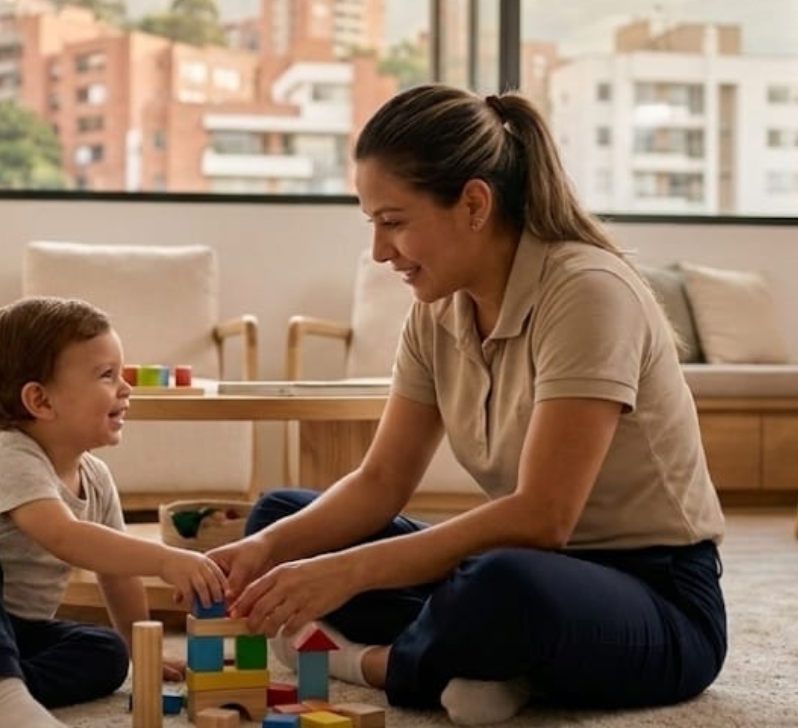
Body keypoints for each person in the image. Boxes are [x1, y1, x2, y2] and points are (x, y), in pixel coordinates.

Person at [209, 84, 727, 725]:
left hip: (657, 596)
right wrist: (267, 550)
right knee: (282, 517)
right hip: (526, 568)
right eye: (373, 224)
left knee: (500, 586)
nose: (380, 252)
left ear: (474, 204)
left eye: (394, 222)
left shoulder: (587, 291)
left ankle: (376, 663)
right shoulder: (437, 310)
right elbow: (381, 481)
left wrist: (347, 574)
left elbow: (543, 517)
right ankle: (486, 664)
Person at [0, 296, 228, 728]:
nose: (125, 388)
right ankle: (2, 695)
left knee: (108, 653)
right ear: (40, 400)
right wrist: (166, 560)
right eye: (107, 375)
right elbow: (64, 537)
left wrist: (140, 650)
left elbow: (117, 574)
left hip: (7, 634)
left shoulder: (96, 478)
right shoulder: (10, 457)